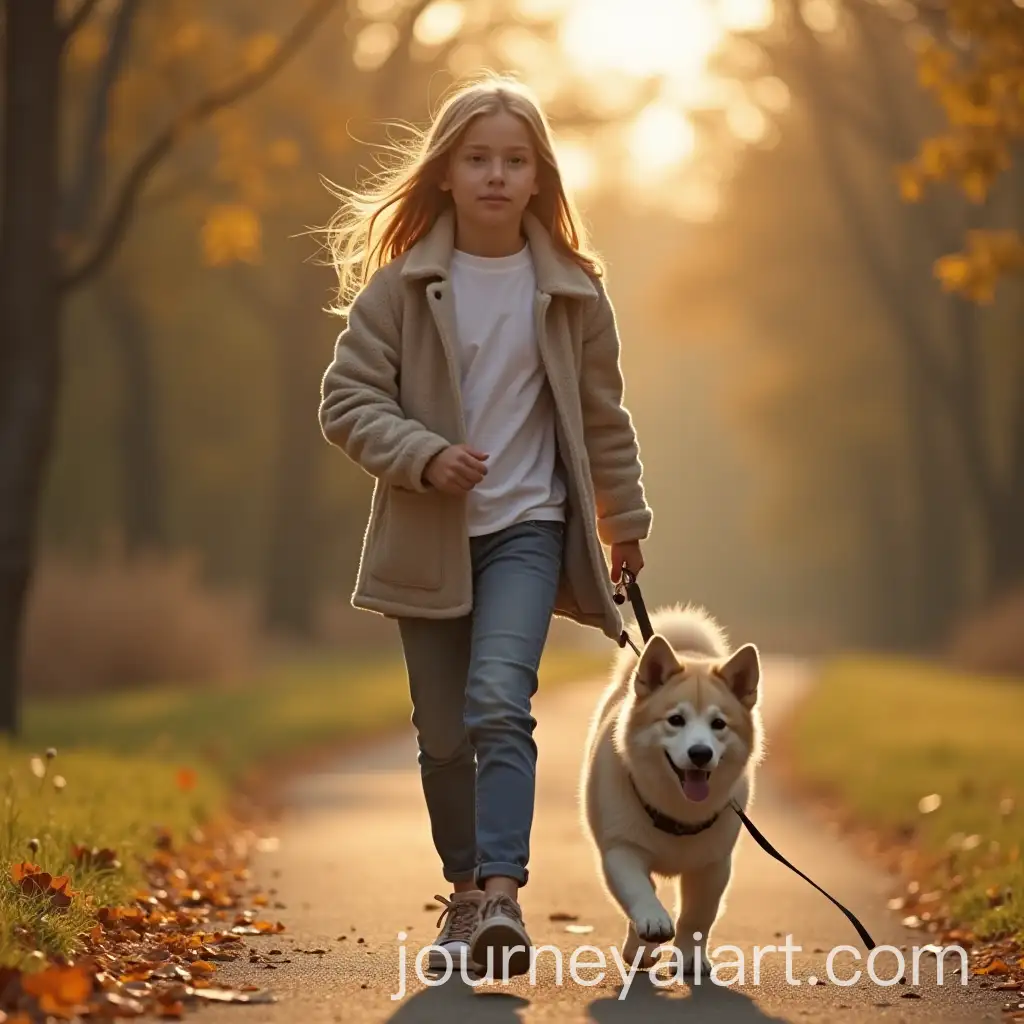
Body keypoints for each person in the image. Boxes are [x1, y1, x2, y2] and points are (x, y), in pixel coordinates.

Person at [317, 73, 652, 979]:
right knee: (443, 735)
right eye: (477, 159)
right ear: (447, 172)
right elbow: (346, 401)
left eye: (514, 160)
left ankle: (503, 896)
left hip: (528, 529)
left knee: (500, 702)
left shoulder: (574, 290)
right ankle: (464, 896)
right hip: (428, 537)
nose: (496, 175)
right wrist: (424, 455)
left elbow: (604, 418)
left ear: (540, 177)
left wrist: (622, 522)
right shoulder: (402, 287)